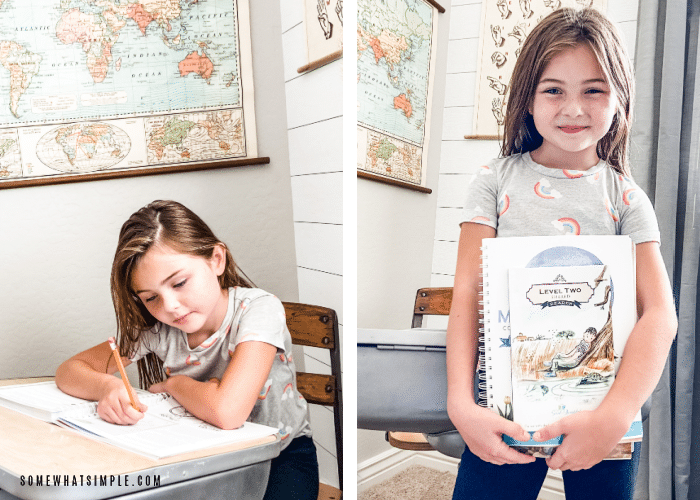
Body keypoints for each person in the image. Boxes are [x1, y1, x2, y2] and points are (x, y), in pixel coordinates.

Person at [446, 7, 677, 500]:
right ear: (528, 98)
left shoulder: (627, 198)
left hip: (604, 410)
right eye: (554, 89)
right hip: (503, 408)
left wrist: (615, 415)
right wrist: (460, 404)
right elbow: (467, 291)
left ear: (620, 99)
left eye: (593, 89)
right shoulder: (493, 181)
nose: (574, 108)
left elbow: (660, 314)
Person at [55, 200, 319, 500]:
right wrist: (107, 386)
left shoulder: (259, 309)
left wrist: (174, 385)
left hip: (281, 454)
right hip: (204, 460)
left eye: (179, 283)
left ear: (216, 260)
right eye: (151, 298)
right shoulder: (157, 330)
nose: (169, 306)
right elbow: (69, 370)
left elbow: (227, 412)